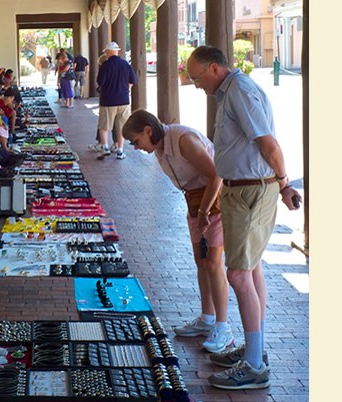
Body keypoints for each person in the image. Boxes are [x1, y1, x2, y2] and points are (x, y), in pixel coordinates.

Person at [187, 45, 302, 390]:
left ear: (213, 69)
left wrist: (284, 185)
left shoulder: (241, 90)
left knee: (237, 274)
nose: (194, 84)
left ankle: (254, 366)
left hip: (253, 189)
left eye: (195, 77)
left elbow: (269, 145)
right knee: (250, 269)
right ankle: (255, 350)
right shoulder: (229, 92)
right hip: (240, 190)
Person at [122, 109, 233, 353]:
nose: (135, 146)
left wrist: (204, 211)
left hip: (214, 202)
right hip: (196, 202)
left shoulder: (183, 139)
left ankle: (224, 328)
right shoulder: (160, 147)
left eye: (136, 141)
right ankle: (207, 318)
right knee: (201, 261)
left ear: (148, 130)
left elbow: (216, 174)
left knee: (214, 263)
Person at [96, 41, 137, 160]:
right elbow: (133, 80)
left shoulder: (105, 65)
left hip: (107, 101)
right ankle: (120, 150)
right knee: (121, 126)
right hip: (124, 100)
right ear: (117, 51)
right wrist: (126, 89)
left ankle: (105, 147)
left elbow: (100, 82)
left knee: (104, 126)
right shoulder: (125, 64)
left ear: (107, 52)